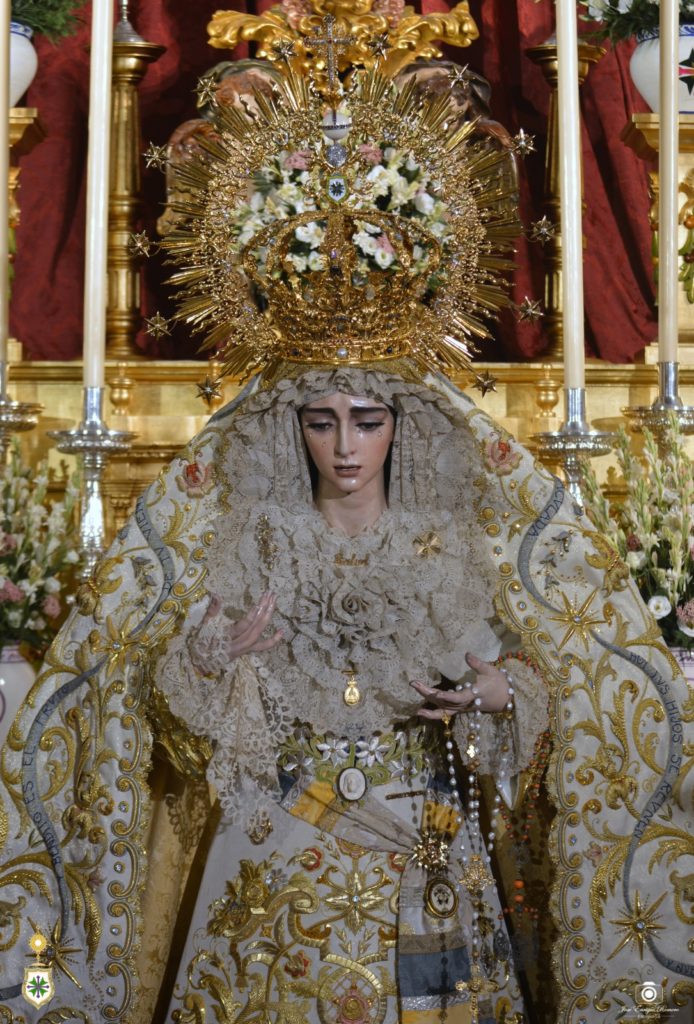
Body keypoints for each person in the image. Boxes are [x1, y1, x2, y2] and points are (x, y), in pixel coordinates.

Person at [0, 36, 691, 1024]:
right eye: (321, 422)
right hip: (274, 851)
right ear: (293, 428)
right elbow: (159, 724)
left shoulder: (451, 537)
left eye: (367, 420)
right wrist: (212, 659)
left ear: (401, 425)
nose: (345, 446)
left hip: (427, 849)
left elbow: (540, 680)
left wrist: (501, 694)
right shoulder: (249, 536)